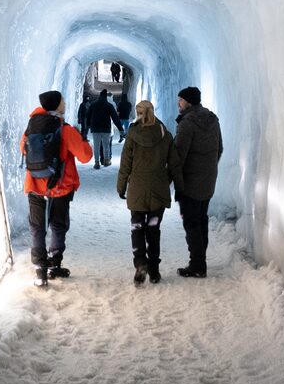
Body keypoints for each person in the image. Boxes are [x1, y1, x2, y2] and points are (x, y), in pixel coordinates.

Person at [20, 90, 93, 287]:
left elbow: (23, 148)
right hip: (59, 187)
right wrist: (81, 137)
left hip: (35, 185)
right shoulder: (65, 130)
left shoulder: (31, 127)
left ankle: (40, 271)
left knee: (37, 227)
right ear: (58, 105)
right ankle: (54, 263)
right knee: (58, 226)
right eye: (63, 101)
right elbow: (86, 155)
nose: (65, 103)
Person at [117, 100, 175, 285]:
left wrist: (121, 186)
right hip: (158, 191)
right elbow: (174, 163)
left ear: (138, 113)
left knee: (137, 228)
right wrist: (166, 180)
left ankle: (140, 263)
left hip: (137, 191)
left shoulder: (133, 134)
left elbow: (126, 164)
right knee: (153, 229)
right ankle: (155, 270)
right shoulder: (165, 135)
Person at [171, 86, 222, 278]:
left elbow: (179, 155)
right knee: (201, 219)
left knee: (191, 222)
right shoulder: (213, 119)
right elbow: (220, 148)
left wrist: (174, 177)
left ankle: (197, 265)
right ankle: (200, 259)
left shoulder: (187, 123)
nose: (178, 103)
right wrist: (209, 168)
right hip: (208, 179)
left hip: (190, 181)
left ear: (189, 102)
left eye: (181, 100)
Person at [85, 88, 120, 169]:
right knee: (106, 146)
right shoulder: (109, 105)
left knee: (96, 146)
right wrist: (121, 129)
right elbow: (115, 118)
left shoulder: (93, 104)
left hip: (95, 129)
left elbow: (88, 116)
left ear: (100, 96)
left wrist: (87, 128)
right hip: (106, 129)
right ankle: (106, 161)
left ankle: (96, 163)